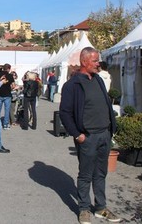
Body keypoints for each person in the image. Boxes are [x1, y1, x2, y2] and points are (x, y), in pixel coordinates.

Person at [59, 47, 120, 224]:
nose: (98, 64)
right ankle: (84, 208)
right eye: (95, 61)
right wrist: (77, 135)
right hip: (87, 137)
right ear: (84, 61)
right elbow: (64, 113)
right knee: (85, 175)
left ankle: (101, 208)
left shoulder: (99, 80)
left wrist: (110, 129)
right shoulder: (72, 85)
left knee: (100, 173)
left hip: (104, 134)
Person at [0, 63, 15, 130]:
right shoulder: (10, 76)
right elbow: (13, 86)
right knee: (7, 110)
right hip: (7, 94)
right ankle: (5, 124)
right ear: (8, 69)